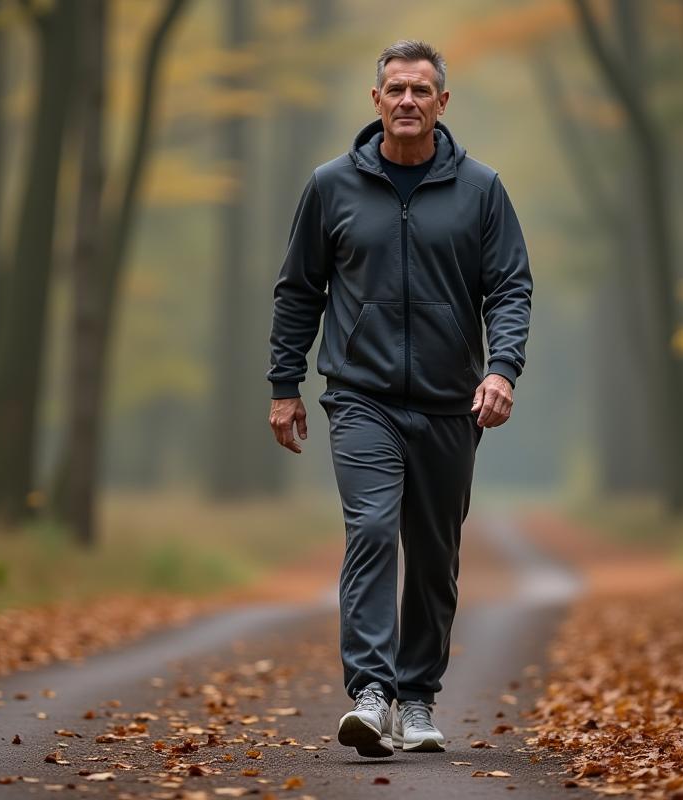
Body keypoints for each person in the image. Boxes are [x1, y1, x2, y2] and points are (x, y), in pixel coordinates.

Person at [266, 40, 533, 758]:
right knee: (373, 531)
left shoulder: (481, 189)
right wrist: (284, 384)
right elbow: (299, 291)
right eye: (395, 89)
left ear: (443, 103)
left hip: (451, 404)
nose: (408, 101)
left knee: (435, 552)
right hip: (360, 397)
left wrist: (502, 369)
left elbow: (510, 287)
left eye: (422, 90)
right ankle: (372, 694)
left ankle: (417, 700)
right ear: (376, 100)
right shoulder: (331, 186)